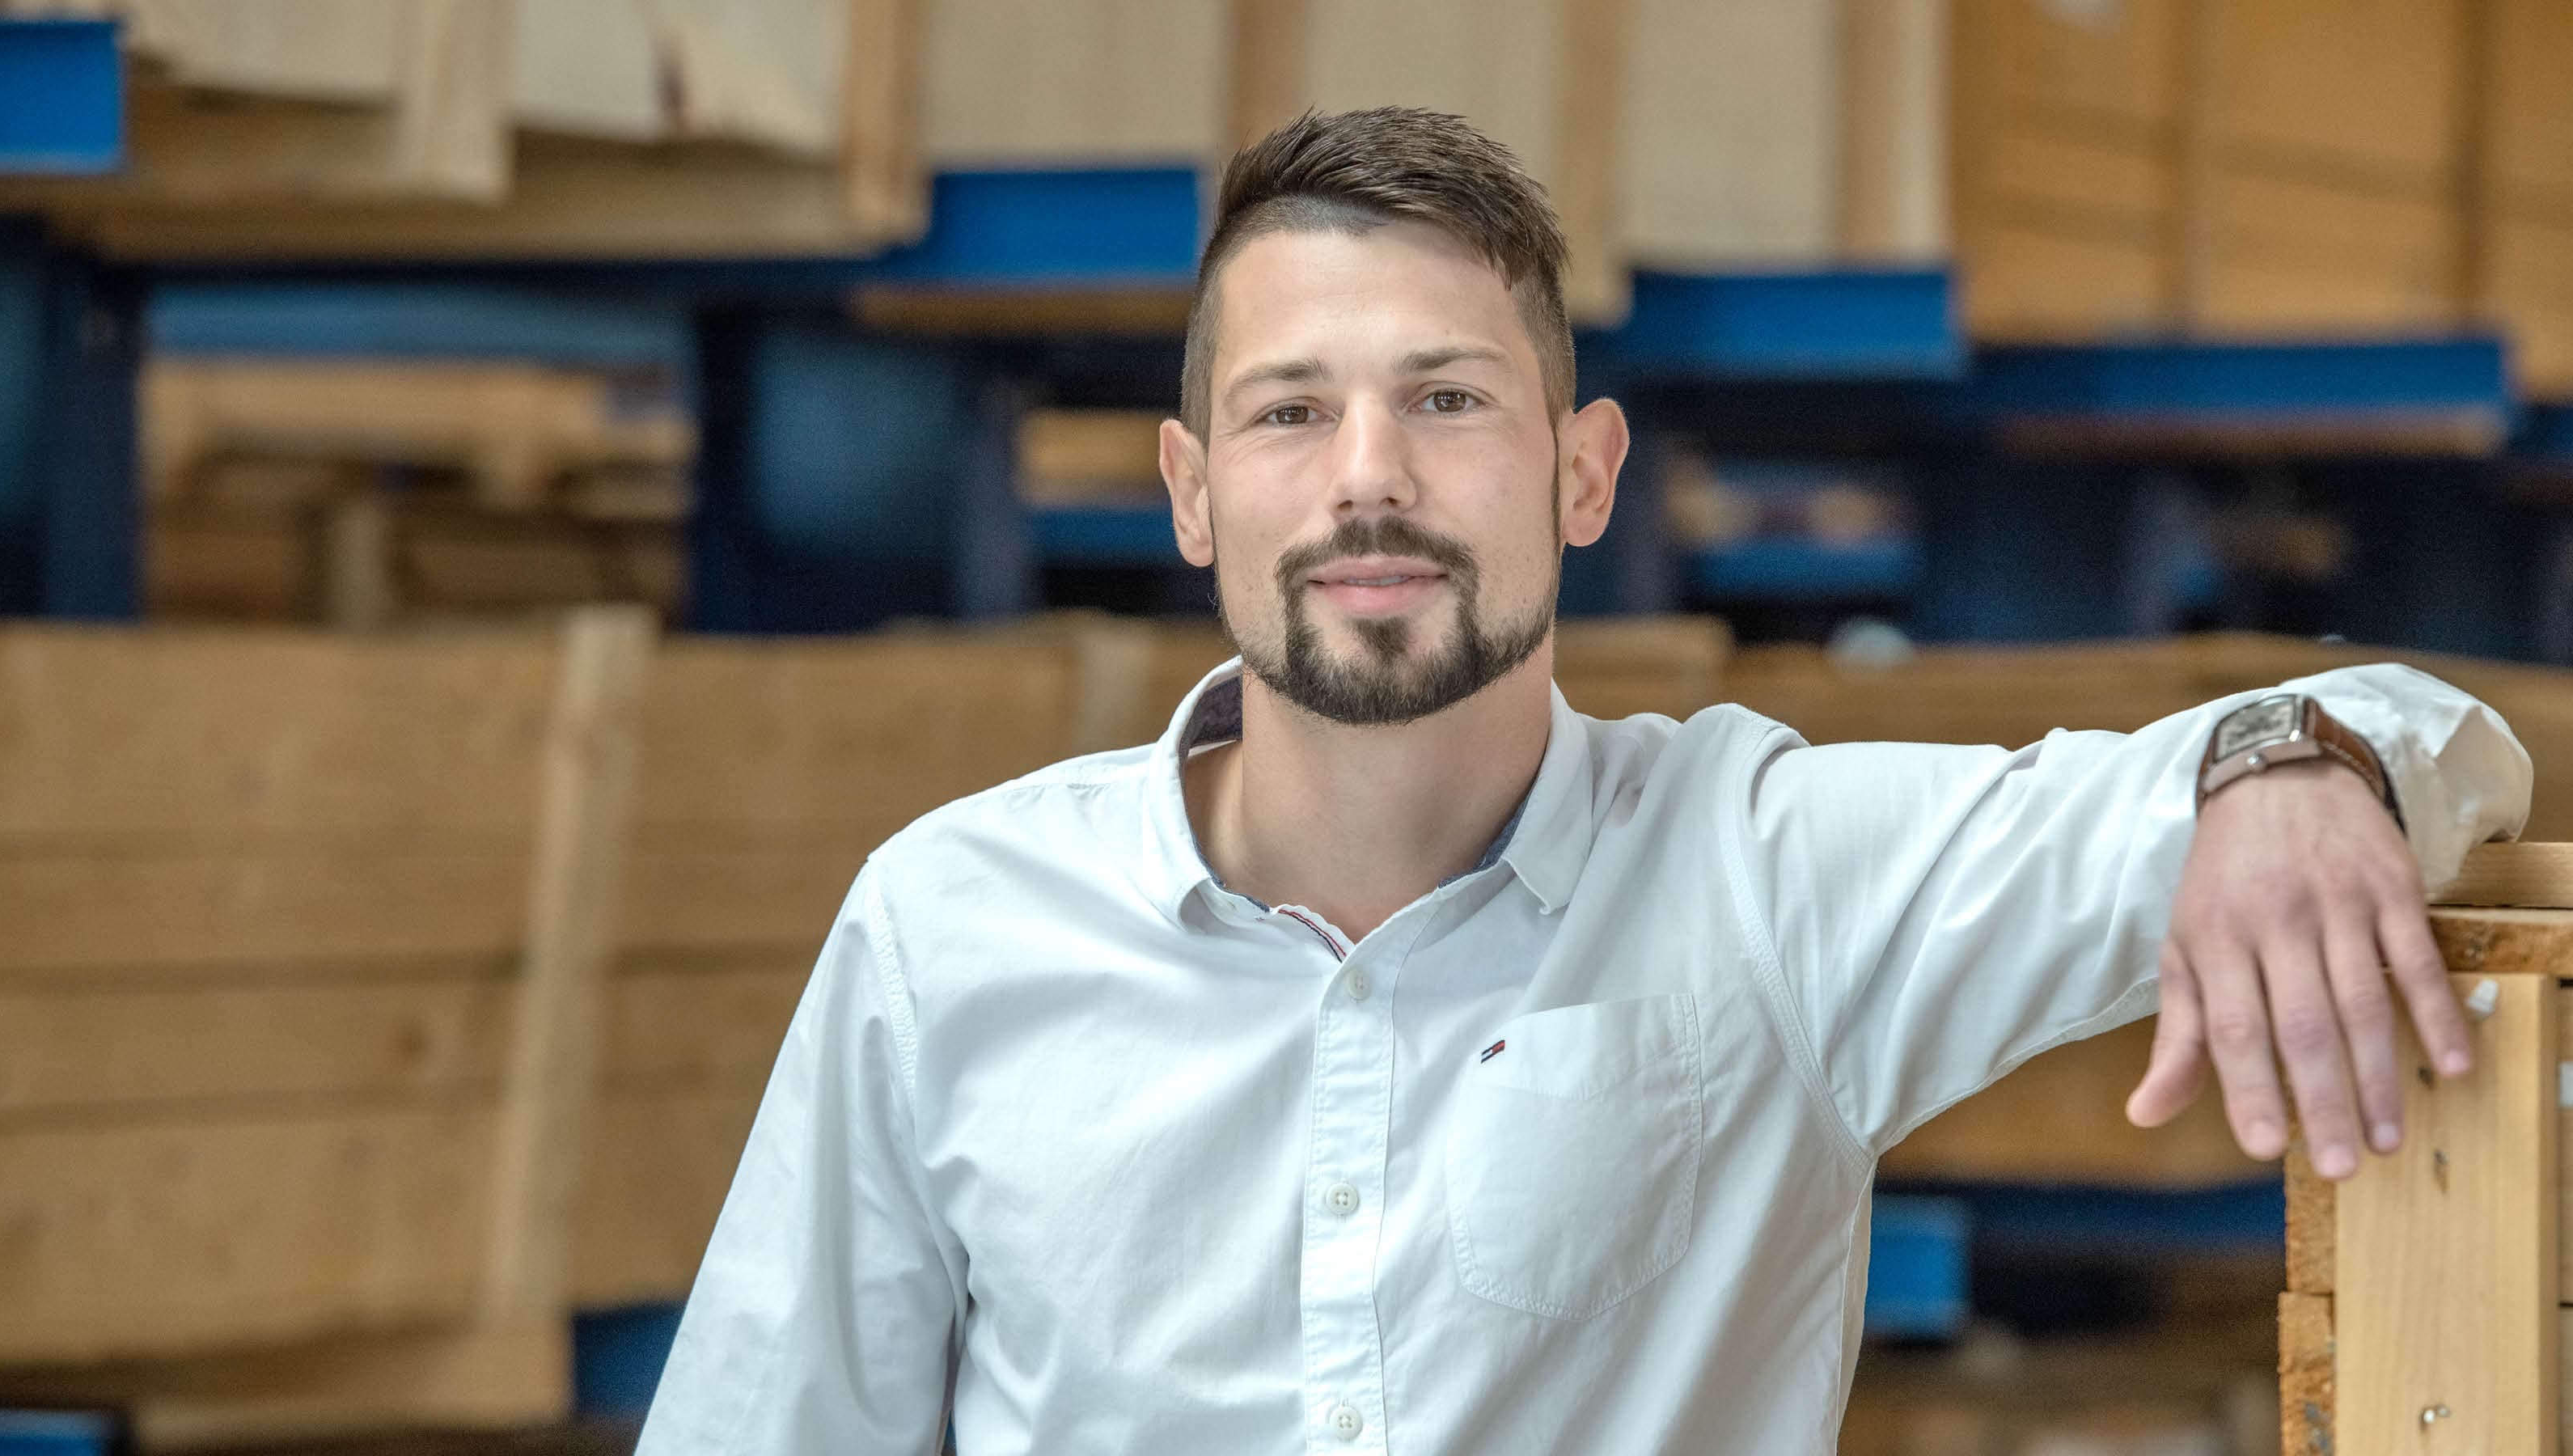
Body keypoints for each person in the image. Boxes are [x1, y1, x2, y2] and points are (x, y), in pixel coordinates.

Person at [635, 108, 2531, 1454]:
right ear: (1194, 492)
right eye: (1291, 411)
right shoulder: (949, 927)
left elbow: (2434, 734)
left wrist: (2289, 760)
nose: (1368, 475)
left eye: (1448, 398)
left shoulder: (1770, 880)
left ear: (1583, 472)